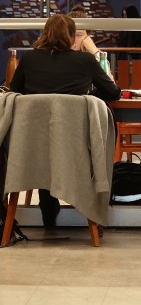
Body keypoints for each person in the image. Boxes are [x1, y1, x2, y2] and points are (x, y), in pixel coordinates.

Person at [10, 14, 121, 228]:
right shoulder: (85, 60)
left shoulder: (30, 59)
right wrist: (91, 93)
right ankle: (88, 210)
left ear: (45, 35)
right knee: (61, 142)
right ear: (72, 38)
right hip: (76, 146)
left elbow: (14, 92)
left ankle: (47, 201)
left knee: (47, 144)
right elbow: (113, 92)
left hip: (32, 146)